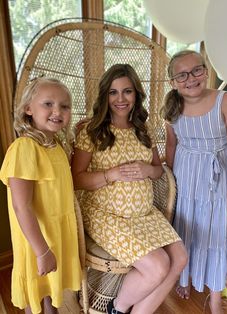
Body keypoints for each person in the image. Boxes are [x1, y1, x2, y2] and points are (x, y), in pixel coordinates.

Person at [71, 64, 187, 314]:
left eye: (127, 91)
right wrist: (109, 175)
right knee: (157, 266)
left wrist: (148, 171)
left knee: (180, 259)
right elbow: (76, 179)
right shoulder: (91, 131)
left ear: (136, 94)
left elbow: (158, 170)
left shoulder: (143, 130)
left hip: (145, 215)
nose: (120, 99)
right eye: (113, 92)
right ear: (105, 96)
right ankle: (118, 308)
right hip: (107, 215)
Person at [159, 50, 227, 314]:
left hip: (218, 180)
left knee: (216, 234)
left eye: (197, 71)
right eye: (182, 75)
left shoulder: (224, 100)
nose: (191, 79)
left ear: (206, 70)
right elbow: (171, 146)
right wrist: (170, 186)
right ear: (173, 82)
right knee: (186, 230)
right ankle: (186, 277)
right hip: (186, 179)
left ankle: (215, 297)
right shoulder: (172, 107)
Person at [0, 77, 82, 314]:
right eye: (48, 104)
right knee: (36, 291)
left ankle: (51, 309)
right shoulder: (24, 148)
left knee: (48, 288)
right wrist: (42, 251)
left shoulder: (56, 145)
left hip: (55, 232)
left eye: (65, 106)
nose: (58, 111)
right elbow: (21, 207)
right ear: (28, 109)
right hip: (37, 237)